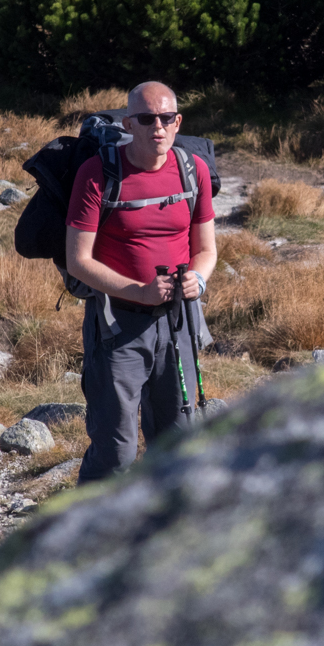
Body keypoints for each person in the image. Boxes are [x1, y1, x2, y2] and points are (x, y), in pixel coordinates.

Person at [65, 81, 217, 484]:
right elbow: (77, 260)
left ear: (178, 121)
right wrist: (139, 292)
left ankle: (158, 536)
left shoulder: (192, 170)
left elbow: (206, 249)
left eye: (167, 118)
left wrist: (197, 280)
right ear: (129, 122)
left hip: (178, 322)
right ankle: (83, 536)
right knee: (116, 453)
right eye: (147, 118)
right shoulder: (98, 173)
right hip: (118, 325)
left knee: (177, 445)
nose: (158, 127)